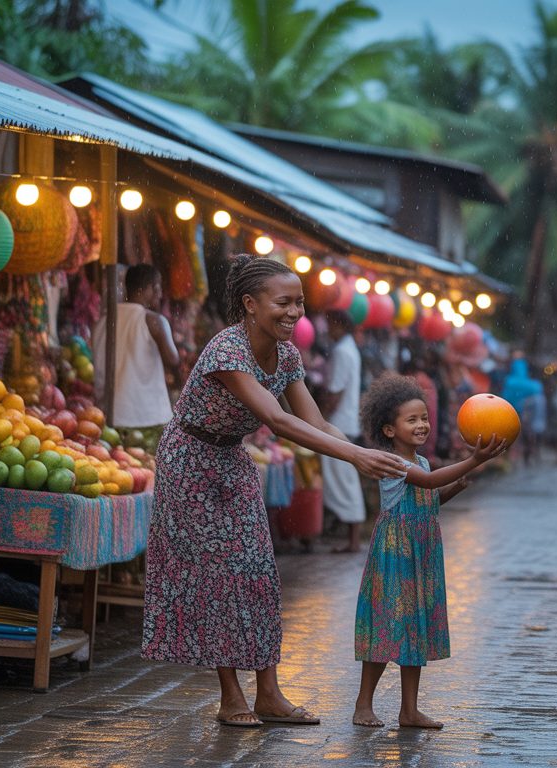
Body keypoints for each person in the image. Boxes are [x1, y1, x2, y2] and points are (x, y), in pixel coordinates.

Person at [140, 255, 408, 728]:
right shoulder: (227, 351)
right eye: (283, 303)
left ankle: (269, 693)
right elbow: (278, 420)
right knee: (218, 577)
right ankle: (230, 697)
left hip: (233, 460)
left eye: (299, 303)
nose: (294, 313)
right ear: (250, 304)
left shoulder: (287, 355)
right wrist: (354, 459)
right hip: (190, 461)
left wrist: (375, 454)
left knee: (259, 570)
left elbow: (315, 421)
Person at [350, 374, 507, 729]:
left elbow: (430, 498)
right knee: (386, 626)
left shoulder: (420, 461)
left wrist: (457, 487)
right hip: (395, 553)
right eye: (412, 420)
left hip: (421, 552)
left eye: (424, 418)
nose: (422, 425)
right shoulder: (390, 461)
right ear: (389, 430)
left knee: (414, 628)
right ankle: (363, 704)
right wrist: (472, 460)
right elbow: (428, 482)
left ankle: (409, 710)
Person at [92, 264, 178, 443]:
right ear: (143, 289)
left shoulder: (103, 322)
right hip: (147, 416)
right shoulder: (154, 321)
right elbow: (173, 359)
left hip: (109, 416)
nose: (160, 294)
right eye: (156, 287)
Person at [317, 310, 367, 554]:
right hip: (345, 422)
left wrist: (318, 420)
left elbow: (335, 392)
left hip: (338, 423)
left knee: (343, 480)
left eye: (329, 324)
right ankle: (352, 536)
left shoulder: (341, 351)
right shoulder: (349, 349)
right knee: (346, 478)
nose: (327, 329)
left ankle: (353, 538)